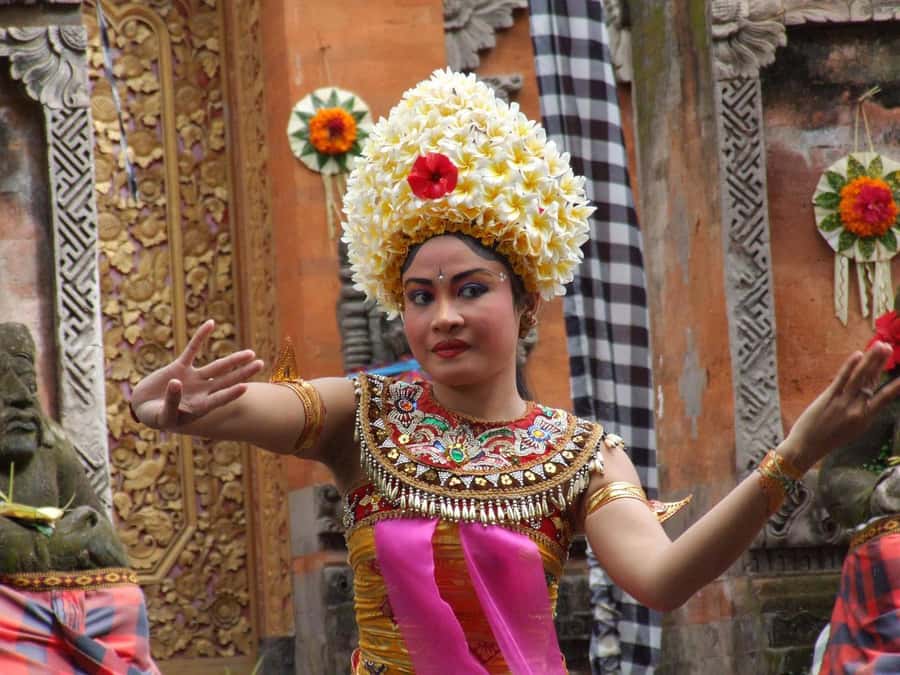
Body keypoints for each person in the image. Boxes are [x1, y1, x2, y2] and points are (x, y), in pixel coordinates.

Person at [130, 69, 900, 674]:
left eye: (470, 289)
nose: (444, 318)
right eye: (420, 297)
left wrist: (792, 457)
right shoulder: (361, 415)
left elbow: (662, 578)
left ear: (525, 301)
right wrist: (161, 402)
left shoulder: (580, 450)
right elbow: (221, 410)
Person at [0, 322, 158, 674]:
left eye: (27, 384)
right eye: (3, 385)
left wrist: (90, 538)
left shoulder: (51, 445)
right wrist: (50, 547)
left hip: (65, 616)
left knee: (122, 599)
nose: (22, 398)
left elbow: (99, 534)